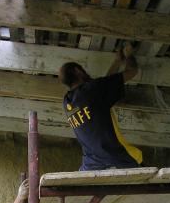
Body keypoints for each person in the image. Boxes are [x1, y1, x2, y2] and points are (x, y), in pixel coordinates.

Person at [59, 43, 142, 171]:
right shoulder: (92, 89)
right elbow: (132, 72)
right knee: (140, 161)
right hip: (117, 160)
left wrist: (117, 62)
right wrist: (129, 55)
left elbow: (103, 87)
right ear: (77, 71)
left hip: (90, 166)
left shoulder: (67, 102)